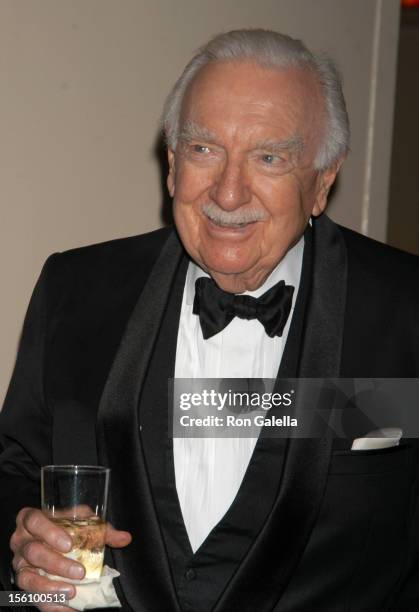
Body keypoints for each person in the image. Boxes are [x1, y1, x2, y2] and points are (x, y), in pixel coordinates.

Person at [1, 28, 418, 612]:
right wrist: (20, 547)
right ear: (172, 165)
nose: (227, 192)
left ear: (323, 180)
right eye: (203, 150)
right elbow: (14, 471)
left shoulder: (406, 311)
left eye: (269, 157)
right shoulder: (77, 290)